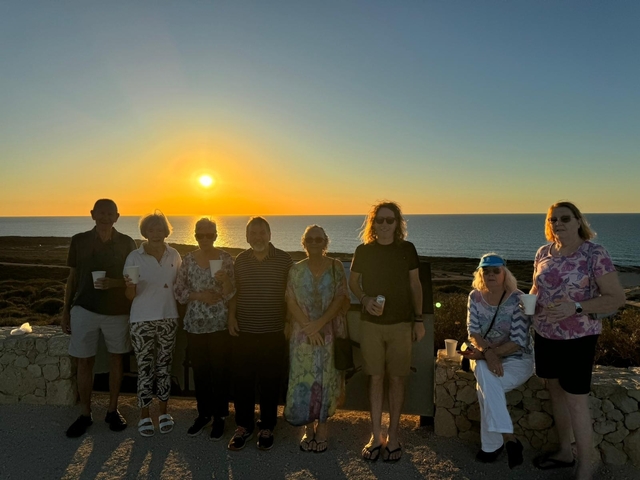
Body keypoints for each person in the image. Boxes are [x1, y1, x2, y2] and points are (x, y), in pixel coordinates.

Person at [530, 201, 625, 479]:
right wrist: (527, 301)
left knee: (576, 401)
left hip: (578, 338)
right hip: (545, 334)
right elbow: (536, 286)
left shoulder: (594, 253)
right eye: (552, 220)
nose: (558, 224)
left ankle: (586, 463)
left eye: (564, 218)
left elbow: (616, 298)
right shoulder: (543, 252)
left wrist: (577, 306)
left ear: (578, 221)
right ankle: (563, 451)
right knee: (556, 393)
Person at [348, 201, 425, 463]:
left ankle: (393, 437)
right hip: (371, 325)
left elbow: (416, 285)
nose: (384, 225)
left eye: (389, 220)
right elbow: (353, 281)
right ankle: (374, 436)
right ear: (373, 223)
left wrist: (419, 320)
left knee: (397, 379)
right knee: (376, 379)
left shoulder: (407, 249)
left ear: (397, 223)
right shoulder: (363, 250)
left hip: (402, 324)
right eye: (379, 220)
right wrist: (365, 298)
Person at [61, 199, 136, 437]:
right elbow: (72, 278)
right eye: (101, 213)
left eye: (110, 213)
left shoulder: (127, 242)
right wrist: (65, 311)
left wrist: (113, 283)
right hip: (84, 309)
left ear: (117, 216)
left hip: (118, 311)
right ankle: (85, 413)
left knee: (117, 360)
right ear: (92, 214)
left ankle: (112, 411)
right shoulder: (79, 240)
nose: (105, 217)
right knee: (84, 362)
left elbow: (132, 278)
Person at [459, 253, 533, 469]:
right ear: (481, 273)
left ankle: (493, 445)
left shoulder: (518, 299)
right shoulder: (475, 297)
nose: (490, 274)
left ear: (504, 273)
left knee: (485, 383)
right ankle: (508, 438)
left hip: (517, 359)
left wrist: (488, 354)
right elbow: (473, 332)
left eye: (495, 271)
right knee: (484, 372)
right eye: (486, 271)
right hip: (483, 354)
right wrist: (488, 353)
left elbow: (519, 341)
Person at [227, 216, 293, 451]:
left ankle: (267, 426)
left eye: (261, 233)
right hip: (244, 331)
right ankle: (243, 425)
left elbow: (292, 295)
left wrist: (288, 321)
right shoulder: (240, 261)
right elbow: (234, 292)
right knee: (242, 381)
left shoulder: (285, 260)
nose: (258, 237)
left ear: (270, 234)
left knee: (270, 381)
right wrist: (231, 316)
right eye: (253, 233)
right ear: (246, 237)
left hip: (274, 331)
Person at [284, 225, 349, 453]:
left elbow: (341, 297)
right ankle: (307, 428)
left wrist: (319, 325)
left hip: (328, 332)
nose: (314, 242)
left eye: (318, 239)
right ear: (304, 242)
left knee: (325, 380)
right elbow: (290, 300)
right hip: (302, 335)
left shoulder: (335, 267)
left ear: (325, 242)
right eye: (310, 239)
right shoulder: (295, 269)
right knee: (304, 380)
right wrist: (309, 328)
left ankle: (322, 427)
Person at [174, 218, 235, 440]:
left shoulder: (226, 259)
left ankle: (220, 417)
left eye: (210, 235)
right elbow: (179, 292)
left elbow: (231, 293)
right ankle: (204, 414)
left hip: (219, 325)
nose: (205, 239)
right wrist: (200, 295)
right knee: (200, 371)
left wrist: (225, 280)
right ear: (195, 236)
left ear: (216, 236)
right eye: (201, 235)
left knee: (220, 371)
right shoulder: (188, 261)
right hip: (195, 325)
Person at [123, 211, 182, 437]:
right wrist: (129, 286)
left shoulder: (174, 254)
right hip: (141, 320)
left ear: (166, 231)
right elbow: (130, 296)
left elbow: (179, 285)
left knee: (164, 367)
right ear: (144, 232)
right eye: (151, 230)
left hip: (168, 318)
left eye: (160, 230)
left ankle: (164, 412)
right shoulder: (134, 257)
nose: (156, 234)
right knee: (145, 368)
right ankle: (145, 414)